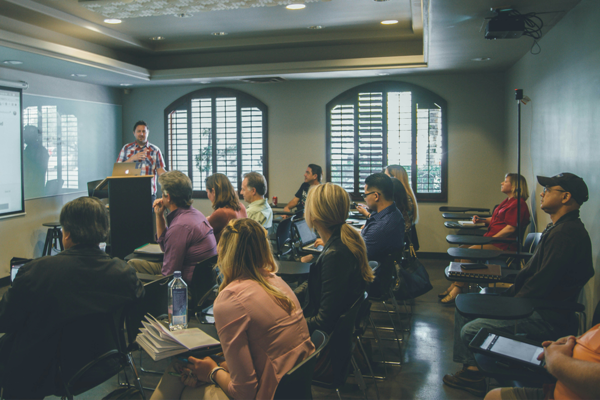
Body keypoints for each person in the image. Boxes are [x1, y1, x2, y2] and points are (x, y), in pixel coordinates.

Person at [443, 173, 594, 397]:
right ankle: (472, 371)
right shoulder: (557, 229)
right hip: (530, 303)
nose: (542, 193)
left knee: (470, 329)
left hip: (544, 314)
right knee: (463, 306)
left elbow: (541, 284)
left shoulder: (567, 235)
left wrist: (507, 305)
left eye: (548, 189)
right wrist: (504, 299)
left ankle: (475, 374)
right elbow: (533, 276)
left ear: (566, 197)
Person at [150, 218, 315, 400]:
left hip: (269, 392)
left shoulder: (231, 299)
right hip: (288, 387)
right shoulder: (278, 283)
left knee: (184, 384)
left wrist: (212, 372)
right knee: (183, 368)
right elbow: (261, 355)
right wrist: (216, 369)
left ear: (223, 253)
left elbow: (244, 393)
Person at [0, 197, 144, 400]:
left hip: (45, 374)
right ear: (104, 232)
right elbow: (137, 298)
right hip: (104, 362)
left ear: (66, 234)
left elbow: (5, 319)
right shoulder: (123, 272)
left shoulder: (35, 272)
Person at [295, 182, 374, 334]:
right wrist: (289, 296)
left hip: (323, 342)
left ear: (314, 215)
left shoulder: (335, 255)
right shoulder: (341, 242)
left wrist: (288, 325)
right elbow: (318, 282)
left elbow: (323, 321)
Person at [439, 173, 531, 304]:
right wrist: (480, 220)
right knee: (461, 250)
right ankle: (455, 285)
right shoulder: (508, 202)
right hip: (493, 241)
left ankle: (458, 289)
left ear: (515, 186)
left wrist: (491, 239)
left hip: (502, 245)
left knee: (468, 252)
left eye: (505, 181)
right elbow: (495, 219)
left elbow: (511, 228)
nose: (502, 183)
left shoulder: (518, 204)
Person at [128, 171, 217, 284]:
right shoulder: (196, 214)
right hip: (202, 284)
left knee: (130, 271)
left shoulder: (180, 227)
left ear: (168, 197)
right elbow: (166, 247)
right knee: (133, 264)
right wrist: (159, 216)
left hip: (184, 288)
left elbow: (168, 275)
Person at [484, 324, 600, 400]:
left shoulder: (556, 361)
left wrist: (556, 360)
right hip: (559, 389)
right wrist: (574, 341)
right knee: (494, 396)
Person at [116, 120, 166, 201]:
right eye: (139, 131)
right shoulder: (126, 148)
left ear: (148, 133)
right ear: (134, 133)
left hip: (149, 193)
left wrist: (171, 180)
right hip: (129, 192)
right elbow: (118, 169)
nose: (141, 134)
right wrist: (133, 158)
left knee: (148, 214)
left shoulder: (155, 150)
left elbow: (160, 170)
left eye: (144, 131)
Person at [205, 173, 247, 242]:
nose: (208, 195)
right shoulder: (241, 206)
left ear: (213, 191)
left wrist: (206, 220)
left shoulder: (221, 213)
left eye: (207, 192)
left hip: (225, 252)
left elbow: (200, 234)